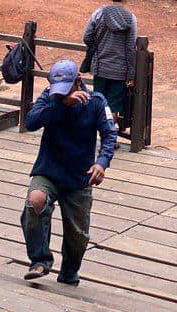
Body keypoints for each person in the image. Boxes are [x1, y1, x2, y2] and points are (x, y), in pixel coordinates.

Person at [21, 59, 118, 286]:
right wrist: (60, 104)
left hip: (79, 176)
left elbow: (109, 135)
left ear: (78, 82)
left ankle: (69, 272)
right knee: (35, 201)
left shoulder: (96, 102)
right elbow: (30, 122)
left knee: (78, 235)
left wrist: (102, 163)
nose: (62, 93)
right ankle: (40, 261)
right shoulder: (49, 98)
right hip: (49, 171)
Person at [82, 0, 138, 121]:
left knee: (98, 103)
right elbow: (131, 48)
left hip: (100, 66)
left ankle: (97, 132)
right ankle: (110, 133)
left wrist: (97, 46)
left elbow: (87, 37)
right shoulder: (131, 19)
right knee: (113, 107)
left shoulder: (99, 13)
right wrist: (131, 74)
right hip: (119, 70)